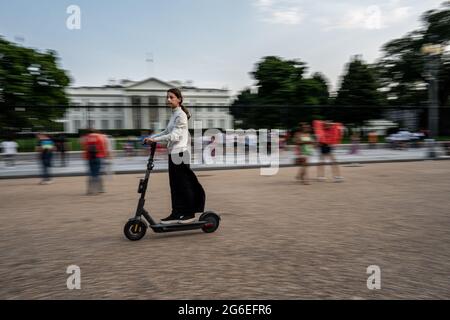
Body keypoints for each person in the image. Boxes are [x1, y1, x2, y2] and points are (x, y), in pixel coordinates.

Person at [144, 88, 205, 224]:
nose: (168, 100)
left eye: (171, 97)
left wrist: (156, 140)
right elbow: (166, 131)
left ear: (179, 99)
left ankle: (189, 214)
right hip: (174, 153)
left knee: (183, 184)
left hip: (181, 153)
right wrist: (152, 137)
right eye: (167, 97)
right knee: (175, 185)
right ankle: (176, 213)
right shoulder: (174, 114)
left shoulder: (181, 115)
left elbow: (175, 136)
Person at [81, 128, 108, 195]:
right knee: (97, 173)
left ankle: (89, 190)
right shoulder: (100, 137)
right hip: (99, 156)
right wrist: (105, 155)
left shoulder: (86, 138)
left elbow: (84, 148)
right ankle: (98, 190)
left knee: (91, 173)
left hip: (89, 157)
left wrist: (85, 157)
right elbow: (103, 147)